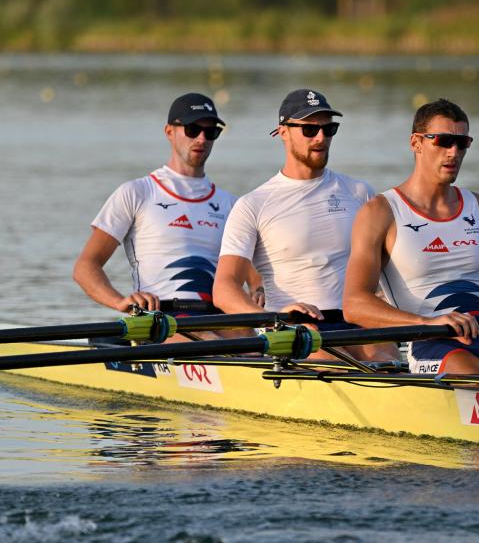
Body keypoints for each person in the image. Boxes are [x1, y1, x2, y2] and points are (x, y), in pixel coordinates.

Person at [342, 98, 479, 383]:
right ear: (416, 142)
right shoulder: (380, 212)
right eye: (443, 141)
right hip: (432, 342)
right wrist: (427, 323)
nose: (453, 152)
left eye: (462, 143)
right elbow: (355, 304)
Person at [213, 88, 396, 362]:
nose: (321, 137)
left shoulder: (360, 192)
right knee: (336, 366)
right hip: (292, 325)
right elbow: (224, 289)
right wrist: (273, 318)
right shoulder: (254, 204)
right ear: (283, 132)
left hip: (355, 320)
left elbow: (390, 268)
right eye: (310, 130)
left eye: (329, 129)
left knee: (386, 362)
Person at [74, 93, 259, 324]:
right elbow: (86, 266)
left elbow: (255, 277)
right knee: (211, 339)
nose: (201, 139)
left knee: (250, 347)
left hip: (220, 317)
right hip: (161, 318)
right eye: (193, 129)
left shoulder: (231, 204)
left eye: (210, 132)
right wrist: (120, 301)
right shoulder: (137, 193)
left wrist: (258, 290)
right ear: (169, 132)